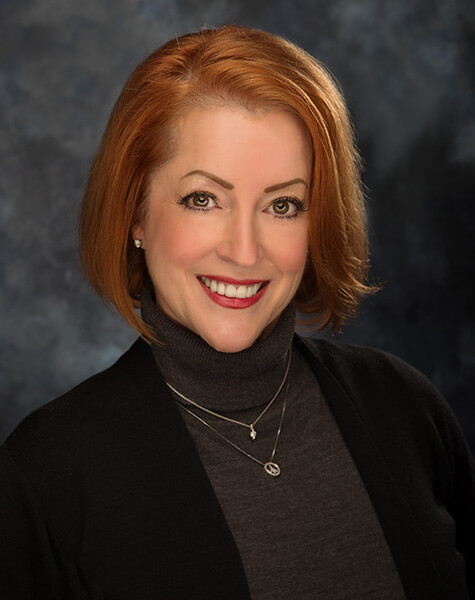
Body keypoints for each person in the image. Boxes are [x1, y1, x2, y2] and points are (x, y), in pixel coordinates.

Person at [0, 25, 473, 600]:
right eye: (204, 199)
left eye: (282, 204)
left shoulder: (404, 408)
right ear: (137, 215)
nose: (245, 252)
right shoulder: (45, 472)